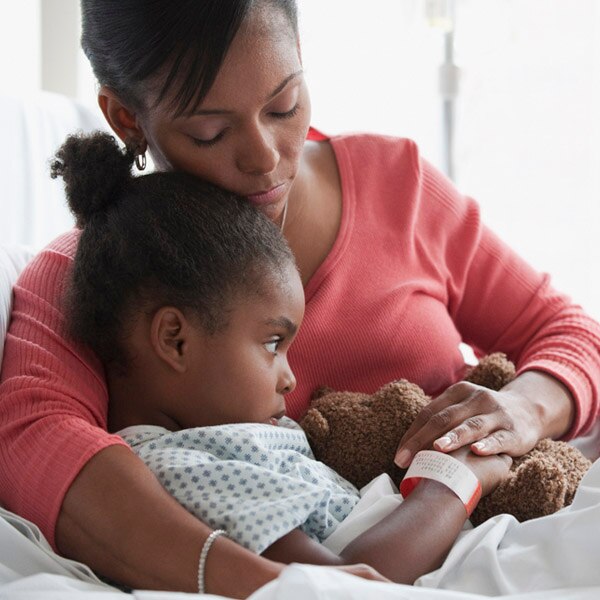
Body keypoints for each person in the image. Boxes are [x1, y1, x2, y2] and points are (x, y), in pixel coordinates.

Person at [0, 0, 598, 596]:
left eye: (283, 104)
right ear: (127, 119)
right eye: (210, 130)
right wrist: (290, 586)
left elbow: (571, 331)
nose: (263, 157)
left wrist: (522, 410)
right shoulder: (100, 280)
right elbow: (35, 441)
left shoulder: (396, 183)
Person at [50, 130, 511, 589]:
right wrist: (452, 481)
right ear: (175, 340)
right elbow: (340, 585)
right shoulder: (184, 469)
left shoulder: (222, 442)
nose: (290, 380)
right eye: (273, 344)